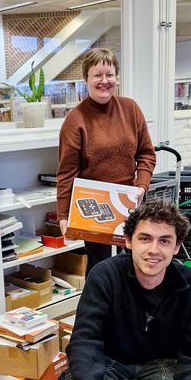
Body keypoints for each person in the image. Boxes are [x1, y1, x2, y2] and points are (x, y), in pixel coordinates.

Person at [58, 199, 191, 380]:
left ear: (176, 247)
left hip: (162, 364)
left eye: (164, 240)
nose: (154, 249)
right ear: (128, 241)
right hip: (113, 362)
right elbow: (85, 340)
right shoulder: (104, 275)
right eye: (145, 238)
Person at [56, 47, 156, 274]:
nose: (104, 81)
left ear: (116, 77)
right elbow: (66, 173)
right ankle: (99, 309)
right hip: (96, 206)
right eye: (97, 75)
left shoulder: (130, 109)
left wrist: (142, 184)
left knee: (137, 264)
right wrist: (63, 215)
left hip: (130, 201)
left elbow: (146, 153)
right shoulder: (75, 120)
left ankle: (132, 309)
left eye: (109, 75)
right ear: (86, 79)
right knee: (100, 268)